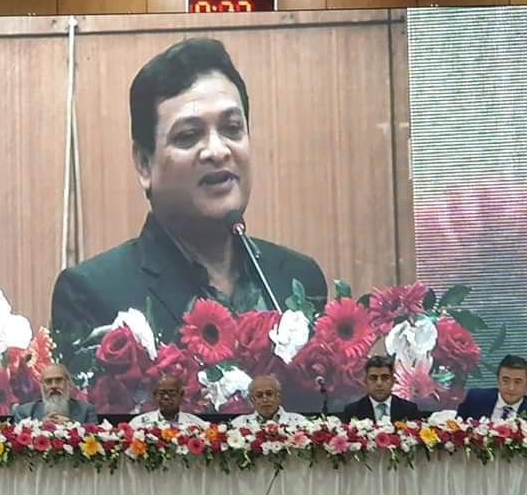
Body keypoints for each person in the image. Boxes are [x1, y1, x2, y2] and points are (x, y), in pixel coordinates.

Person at [51, 38, 328, 375]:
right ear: (144, 164)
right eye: (188, 136)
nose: (217, 151)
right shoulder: (93, 294)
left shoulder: (299, 279)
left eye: (232, 129)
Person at [456, 354, 527, 421]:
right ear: (498, 380)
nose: (511, 388)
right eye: (505, 381)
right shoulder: (475, 399)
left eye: (517, 382)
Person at [341, 355, 420, 423]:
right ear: (365, 382)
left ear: (393, 381)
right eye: (373, 378)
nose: (379, 383)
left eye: (385, 378)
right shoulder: (352, 411)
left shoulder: (409, 410)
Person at [11, 364, 97, 424]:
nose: (54, 386)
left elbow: (94, 440)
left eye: (59, 380)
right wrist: (40, 427)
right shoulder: (24, 412)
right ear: (42, 386)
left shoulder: (86, 410)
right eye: (48, 381)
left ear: (68, 383)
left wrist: (70, 425)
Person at [130, 374, 206, 427]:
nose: (166, 397)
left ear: (181, 395)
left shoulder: (197, 424)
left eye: (171, 393)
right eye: (161, 393)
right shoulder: (137, 424)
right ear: (155, 395)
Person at [231, 375, 306, 426]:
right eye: (259, 395)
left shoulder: (299, 421)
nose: (265, 399)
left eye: (269, 394)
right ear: (252, 400)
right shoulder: (238, 424)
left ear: (278, 397)